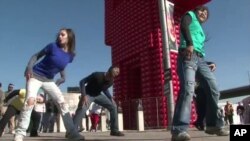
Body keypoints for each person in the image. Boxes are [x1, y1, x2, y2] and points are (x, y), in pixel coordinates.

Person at [13, 28, 84, 141]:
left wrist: (63, 77)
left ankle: (71, 132)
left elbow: (61, 65)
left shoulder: (70, 56)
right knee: (30, 101)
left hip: (49, 80)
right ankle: (20, 134)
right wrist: (29, 68)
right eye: (59, 34)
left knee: (62, 103)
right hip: (35, 76)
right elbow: (35, 56)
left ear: (69, 38)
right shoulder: (52, 46)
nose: (59, 36)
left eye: (63, 34)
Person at [171, 6, 229, 141]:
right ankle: (179, 130)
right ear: (196, 11)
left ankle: (212, 125)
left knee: (213, 88)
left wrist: (209, 62)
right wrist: (189, 43)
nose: (204, 13)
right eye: (202, 11)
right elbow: (184, 25)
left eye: (206, 13)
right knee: (188, 90)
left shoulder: (200, 30)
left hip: (200, 59)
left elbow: (199, 51)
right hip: (188, 55)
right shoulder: (189, 15)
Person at [73, 66, 124, 136]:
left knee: (113, 106)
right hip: (88, 94)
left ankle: (114, 130)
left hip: (98, 95)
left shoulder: (111, 82)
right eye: (116, 69)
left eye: (118, 72)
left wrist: (110, 97)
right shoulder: (97, 75)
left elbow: (104, 89)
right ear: (110, 69)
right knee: (82, 108)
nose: (118, 72)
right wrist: (84, 95)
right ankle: (72, 131)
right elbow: (82, 81)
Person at [193, 62, 216, 131]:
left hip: (202, 87)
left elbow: (211, 64)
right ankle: (202, 123)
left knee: (203, 106)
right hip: (199, 88)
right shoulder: (194, 64)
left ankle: (200, 122)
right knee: (202, 105)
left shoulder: (201, 63)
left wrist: (213, 65)